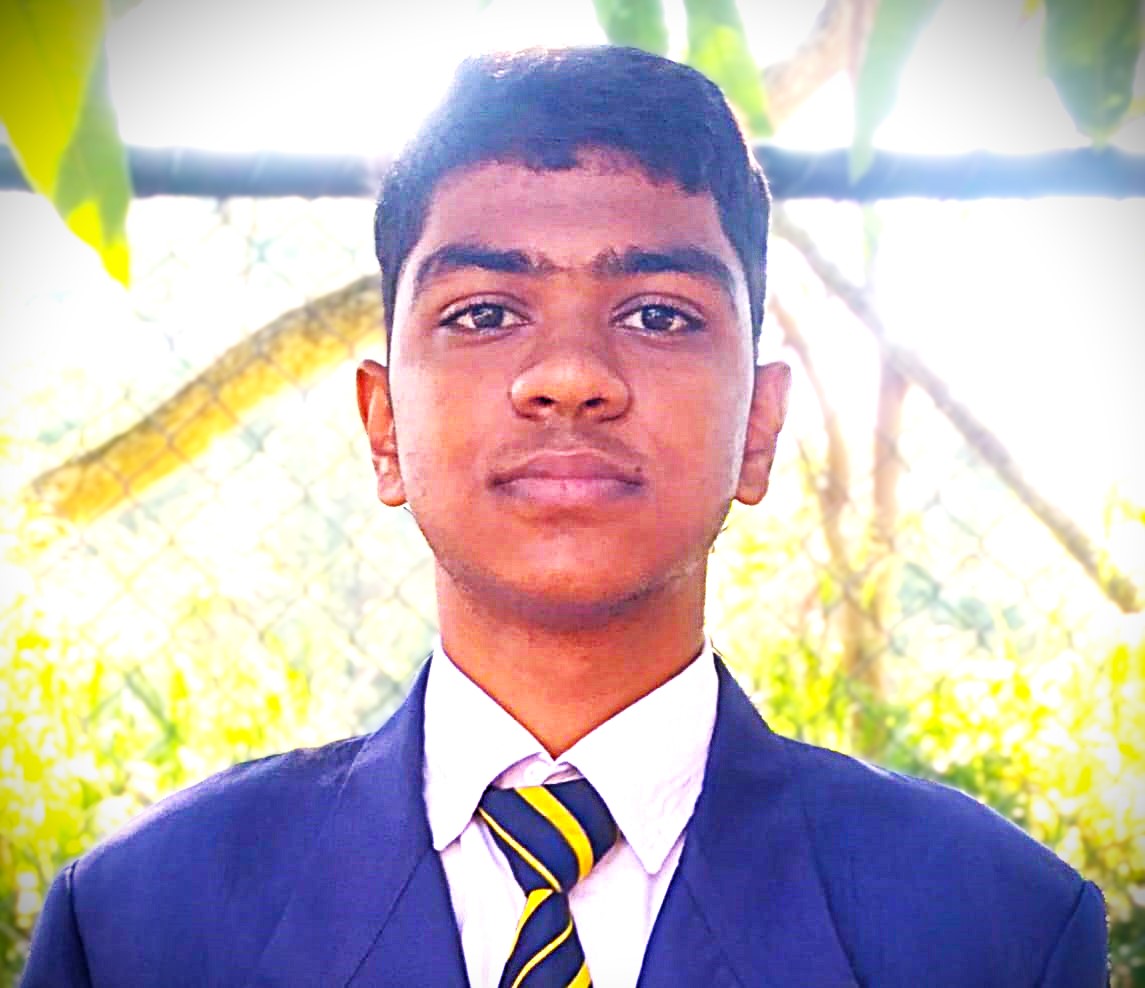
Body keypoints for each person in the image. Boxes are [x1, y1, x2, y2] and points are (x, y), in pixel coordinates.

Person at [22, 46, 1107, 988]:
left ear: (758, 425)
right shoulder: (143, 919)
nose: (570, 375)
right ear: (383, 425)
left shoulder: (990, 924)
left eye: (657, 314)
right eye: (484, 312)